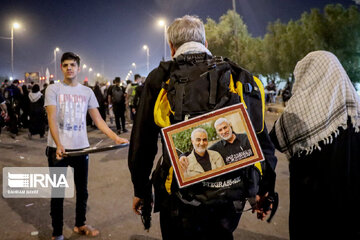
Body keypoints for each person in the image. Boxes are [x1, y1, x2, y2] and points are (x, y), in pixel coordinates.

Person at [129, 15, 277, 240]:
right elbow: (260, 139)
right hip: (229, 195)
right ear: (206, 44)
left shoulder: (160, 79)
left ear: (171, 47)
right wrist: (265, 190)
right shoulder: (238, 76)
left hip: (178, 199)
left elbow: (143, 142)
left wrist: (141, 190)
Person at [270, 51, 360, 240]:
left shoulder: (299, 113)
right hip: (348, 211)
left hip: (310, 210)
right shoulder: (356, 114)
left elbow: (274, 139)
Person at [45, 52, 128, 240]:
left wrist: (115, 137)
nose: (69, 68)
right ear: (61, 68)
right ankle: (57, 233)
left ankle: (80, 224)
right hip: (58, 150)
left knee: (82, 190)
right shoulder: (53, 89)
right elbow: (51, 117)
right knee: (57, 194)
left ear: (78, 68)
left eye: (72, 65)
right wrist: (58, 144)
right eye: (65, 65)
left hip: (81, 148)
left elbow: (98, 119)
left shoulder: (87, 92)